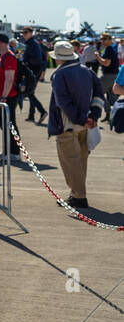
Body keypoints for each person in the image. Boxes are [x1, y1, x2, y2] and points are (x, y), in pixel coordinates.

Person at [48, 40, 105, 208]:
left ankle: (79, 196)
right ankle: (75, 194)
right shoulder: (87, 72)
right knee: (81, 161)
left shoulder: (60, 75)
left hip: (68, 124)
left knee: (70, 162)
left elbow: (63, 102)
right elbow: (99, 95)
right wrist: (93, 116)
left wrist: (80, 118)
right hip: (86, 124)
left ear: (59, 58)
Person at [0, 33, 22, 160]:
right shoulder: (2, 57)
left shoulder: (9, 57)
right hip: (2, 96)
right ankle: (7, 152)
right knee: (4, 125)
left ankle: (15, 152)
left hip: (7, 98)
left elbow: (9, 79)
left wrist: (3, 96)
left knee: (10, 125)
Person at [20, 27, 48, 123]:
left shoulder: (32, 44)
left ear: (31, 33)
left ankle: (42, 111)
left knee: (29, 92)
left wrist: (25, 63)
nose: (24, 34)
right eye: (23, 33)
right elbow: (43, 57)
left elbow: (38, 59)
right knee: (31, 92)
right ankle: (31, 115)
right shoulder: (33, 44)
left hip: (33, 71)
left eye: (25, 32)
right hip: (35, 70)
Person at [98, 33, 120, 106]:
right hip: (113, 75)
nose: (102, 41)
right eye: (101, 39)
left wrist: (97, 57)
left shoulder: (109, 49)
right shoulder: (110, 48)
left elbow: (106, 63)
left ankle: (109, 112)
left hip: (108, 75)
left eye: (104, 39)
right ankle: (114, 114)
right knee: (112, 97)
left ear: (110, 40)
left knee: (98, 93)